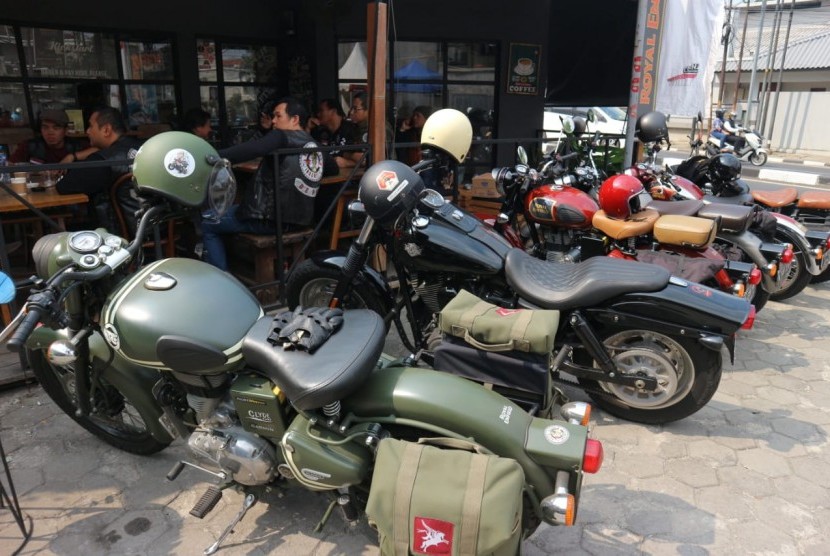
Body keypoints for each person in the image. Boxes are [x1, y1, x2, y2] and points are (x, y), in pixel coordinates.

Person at [201, 96, 328, 271]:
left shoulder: (281, 136)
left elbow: (253, 149)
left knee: (208, 220)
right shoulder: (313, 144)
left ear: (295, 119)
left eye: (278, 116)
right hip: (302, 220)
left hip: (270, 220)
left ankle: (221, 279)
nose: (274, 121)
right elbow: (333, 168)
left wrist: (213, 155)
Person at [56, 107, 143, 232]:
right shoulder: (147, 148)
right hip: (159, 227)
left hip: (121, 236)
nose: (88, 131)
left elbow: (64, 186)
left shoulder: (103, 160)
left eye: (91, 126)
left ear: (106, 130)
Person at [9, 109, 85, 164]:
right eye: (45, 127)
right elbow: (9, 166)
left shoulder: (76, 146)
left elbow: (96, 150)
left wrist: (71, 157)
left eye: (56, 128)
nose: (50, 132)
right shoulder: (30, 146)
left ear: (65, 130)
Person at [312, 98, 358, 168]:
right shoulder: (320, 131)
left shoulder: (350, 129)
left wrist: (347, 163)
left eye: (321, 110)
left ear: (333, 111)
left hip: (348, 177)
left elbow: (364, 159)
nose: (318, 114)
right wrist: (307, 128)